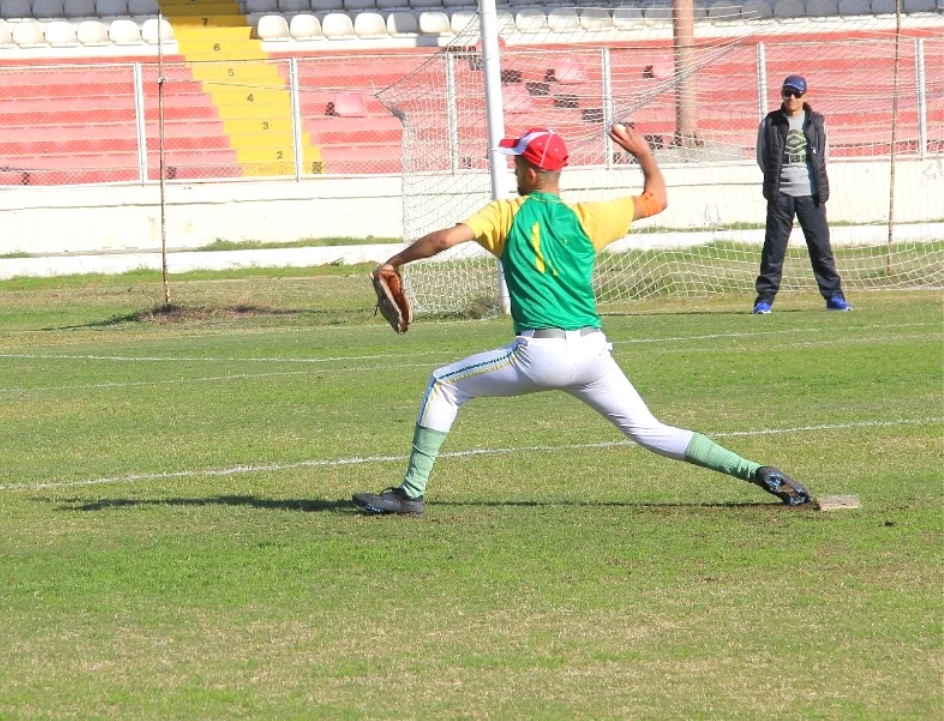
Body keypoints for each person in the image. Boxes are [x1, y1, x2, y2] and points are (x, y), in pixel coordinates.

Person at [352, 124, 814, 516]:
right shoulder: (590, 215)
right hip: (593, 352)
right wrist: (645, 154)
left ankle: (410, 494)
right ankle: (756, 472)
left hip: (540, 352)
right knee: (651, 431)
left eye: (516, 161)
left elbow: (445, 240)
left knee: (443, 383)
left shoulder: (506, 213)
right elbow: (655, 199)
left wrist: (395, 262)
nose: (512, 167)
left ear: (531, 171)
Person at [753, 74, 851, 315]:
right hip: (781, 195)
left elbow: (823, 157)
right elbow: (762, 157)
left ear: (805, 96)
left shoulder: (816, 122)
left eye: (797, 94)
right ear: (782, 95)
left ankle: (834, 297)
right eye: (787, 93)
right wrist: (778, 181)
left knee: (820, 248)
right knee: (773, 249)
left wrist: (813, 183)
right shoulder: (770, 123)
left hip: (811, 194)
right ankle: (764, 299)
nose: (792, 98)